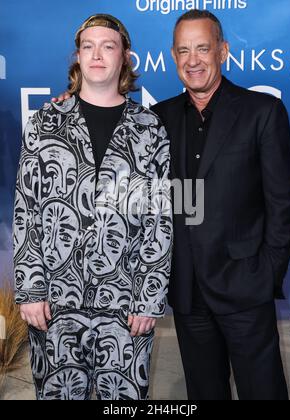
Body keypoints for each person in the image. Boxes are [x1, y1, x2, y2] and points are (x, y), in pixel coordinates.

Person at [13, 14, 172, 401]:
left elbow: (159, 218)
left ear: (125, 58)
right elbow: (26, 208)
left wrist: (150, 297)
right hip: (53, 303)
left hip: (126, 306)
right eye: (88, 46)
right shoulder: (45, 122)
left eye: (108, 46)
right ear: (77, 57)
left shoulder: (149, 127)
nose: (97, 54)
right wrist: (30, 288)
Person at [151, 9, 290, 400]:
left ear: (223, 51)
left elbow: (282, 201)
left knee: (263, 391)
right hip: (186, 290)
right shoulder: (157, 119)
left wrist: (267, 272)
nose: (193, 60)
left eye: (203, 48)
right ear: (172, 56)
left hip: (245, 284)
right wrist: (71, 97)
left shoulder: (261, 112)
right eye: (184, 50)